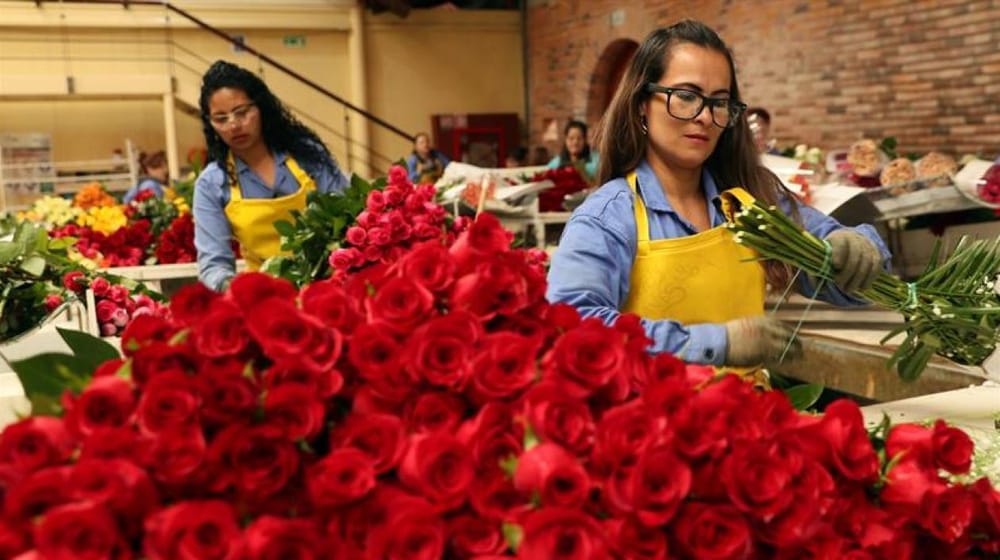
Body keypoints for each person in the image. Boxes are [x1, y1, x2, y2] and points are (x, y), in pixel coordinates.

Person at [546, 20, 889, 376]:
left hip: (746, 418)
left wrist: (859, 249)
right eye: (686, 96)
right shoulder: (608, 217)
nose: (706, 117)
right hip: (654, 423)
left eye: (719, 103)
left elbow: (844, 279)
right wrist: (715, 343)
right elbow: (574, 325)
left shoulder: (749, 202)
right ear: (641, 105)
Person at [193, 60, 349, 291]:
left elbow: (346, 217)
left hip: (329, 288)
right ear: (210, 124)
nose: (234, 125)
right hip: (264, 298)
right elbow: (213, 265)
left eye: (242, 112)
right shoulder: (211, 184)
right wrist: (234, 287)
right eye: (221, 119)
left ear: (261, 108)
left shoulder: (307, 156)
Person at [547, 120, 600, 184]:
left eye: (579, 138)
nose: (575, 142)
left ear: (585, 140)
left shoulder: (597, 161)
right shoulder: (556, 163)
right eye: (571, 138)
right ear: (565, 140)